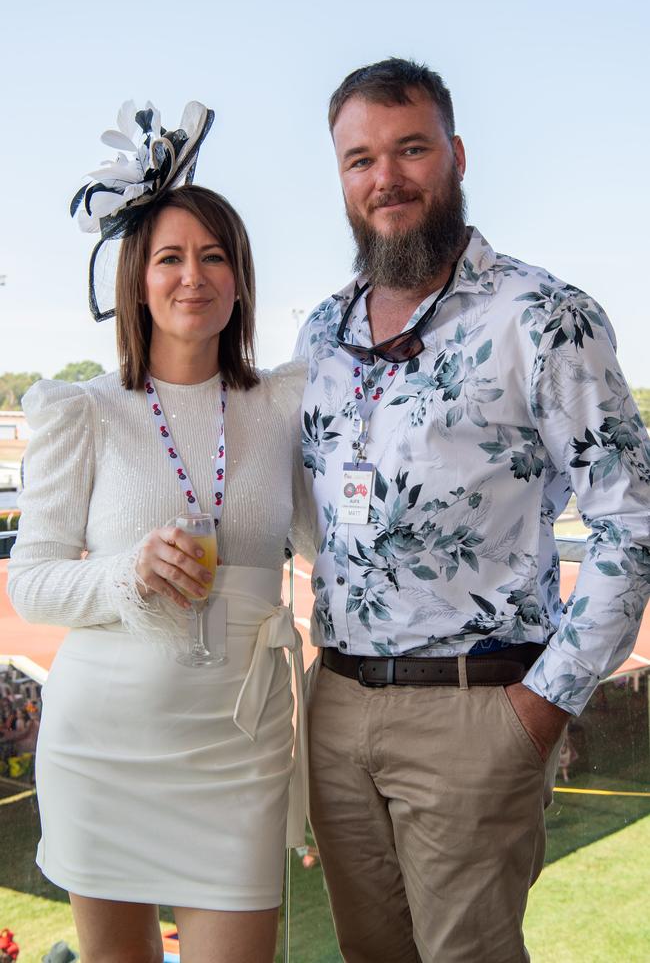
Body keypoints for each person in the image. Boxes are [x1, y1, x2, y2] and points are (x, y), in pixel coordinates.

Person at [295, 58, 650, 963]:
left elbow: (630, 521)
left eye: (411, 149)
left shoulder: (545, 315)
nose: (387, 178)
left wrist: (541, 706)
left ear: (454, 154)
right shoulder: (321, 334)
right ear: (340, 177)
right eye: (360, 159)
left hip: (477, 707)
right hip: (333, 710)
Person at [8, 101, 311, 963]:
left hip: (240, 752)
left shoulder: (285, 404)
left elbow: (331, 542)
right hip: (102, 752)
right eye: (170, 258)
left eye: (214, 257)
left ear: (241, 278)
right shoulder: (83, 411)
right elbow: (30, 580)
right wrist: (126, 575)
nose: (193, 277)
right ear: (136, 280)